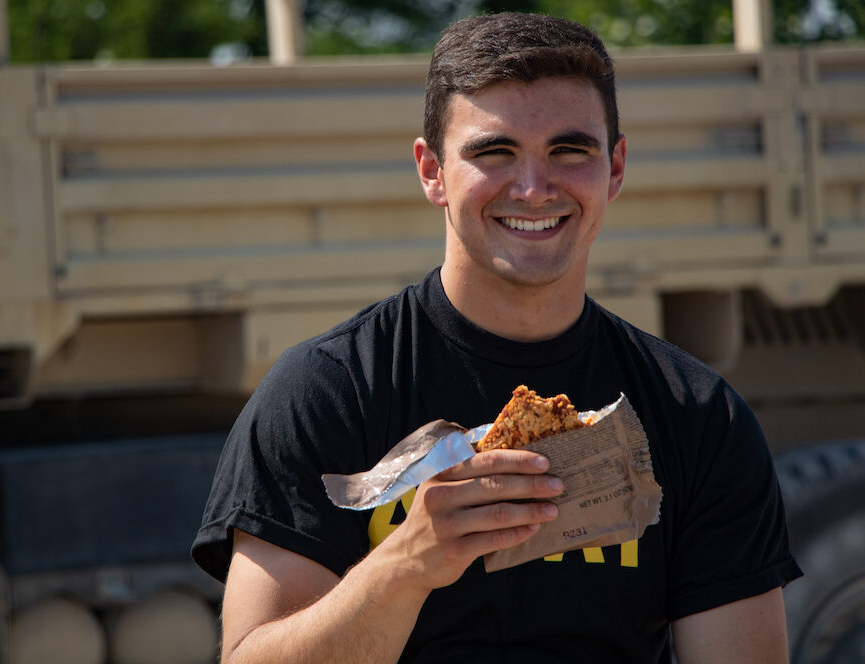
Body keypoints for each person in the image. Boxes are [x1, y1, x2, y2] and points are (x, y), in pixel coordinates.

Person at [192, 12, 802, 663]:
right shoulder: (325, 392)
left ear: (615, 168)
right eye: (494, 152)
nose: (534, 188)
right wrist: (405, 564)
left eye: (570, 151)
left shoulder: (697, 417)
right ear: (432, 172)